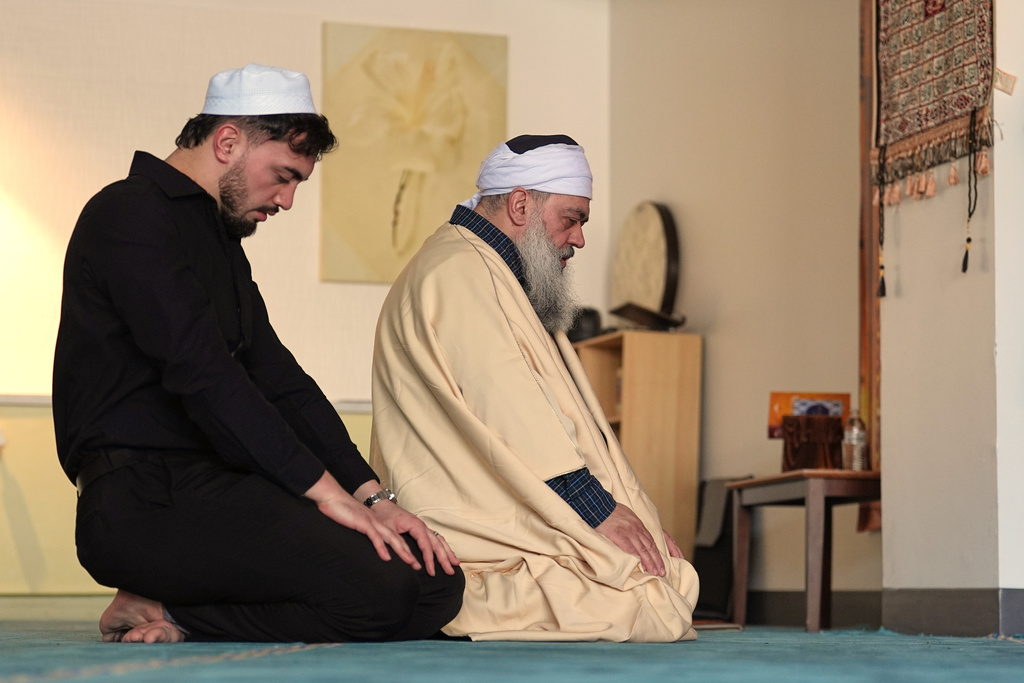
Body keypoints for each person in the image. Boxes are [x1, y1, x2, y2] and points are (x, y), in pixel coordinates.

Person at [52, 64, 463, 644]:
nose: (288, 200)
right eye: (283, 176)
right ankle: (165, 609)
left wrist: (371, 497)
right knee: (381, 589)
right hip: (140, 502)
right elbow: (204, 375)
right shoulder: (128, 212)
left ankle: (167, 609)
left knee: (436, 583)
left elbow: (279, 379)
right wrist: (326, 496)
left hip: (218, 492)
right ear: (228, 142)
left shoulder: (218, 242)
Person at [370, 135, 699, 642]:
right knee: (636, 599)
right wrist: (602, 514)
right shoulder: (464, 270)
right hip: (470, 528)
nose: (580, 239)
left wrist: (639, 522)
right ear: (521, 204)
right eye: (572, 219)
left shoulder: (483, 267)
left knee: (654, 582)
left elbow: (545, 413)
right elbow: (515, 414)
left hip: (488, 506)